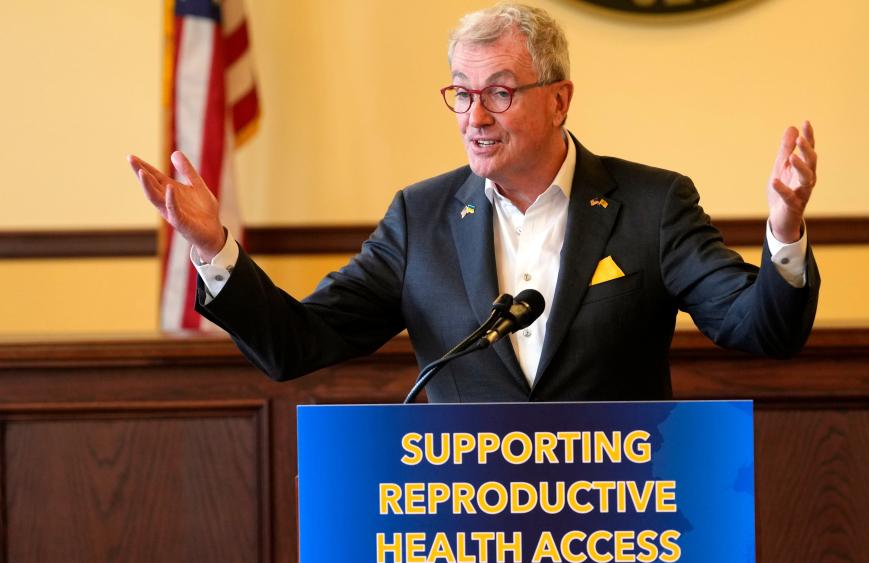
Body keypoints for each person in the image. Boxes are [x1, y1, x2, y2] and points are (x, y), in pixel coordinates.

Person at [128, 3, 819, 403]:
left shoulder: (652, 205)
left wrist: (783, 231)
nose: (474, 116)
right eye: (461, 92)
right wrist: (212, 248)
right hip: (466, 545)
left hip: (625, 538)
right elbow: (297, 344)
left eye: (500, 92)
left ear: (559, 100)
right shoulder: (419, 220)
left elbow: (759, 329)